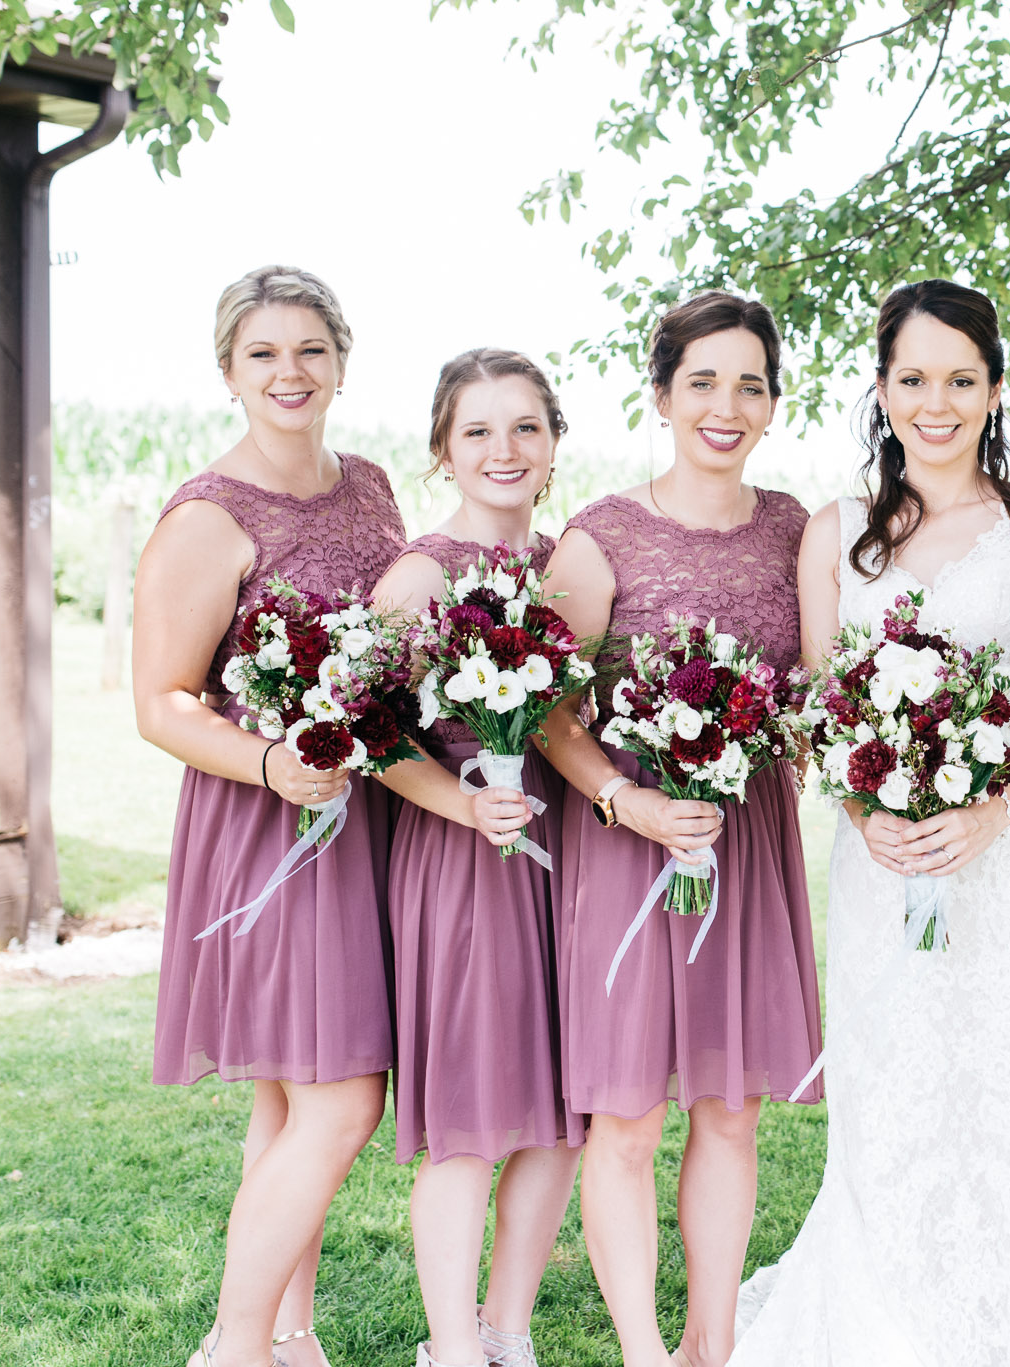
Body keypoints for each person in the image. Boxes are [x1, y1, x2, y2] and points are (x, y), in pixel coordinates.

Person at [727, 279, 1010, 1366]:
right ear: (880, 387)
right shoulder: (834, 532)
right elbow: (820, 696)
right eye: (913, 378)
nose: (935, 402)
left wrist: (993, 812)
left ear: (994, 390)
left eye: (960, 378)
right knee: (894, 1090)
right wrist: (869, 809)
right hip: (883, 857)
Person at [538, 292, 821, 1367]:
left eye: (749, 383)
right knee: (626, 1117)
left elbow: (818, 679)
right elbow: (551, 706)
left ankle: (712, 1340)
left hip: (745, 841)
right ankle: (644, 1351)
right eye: (703, 380)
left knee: (730, 1108)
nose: (726, 403)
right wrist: (626, 797)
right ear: (661, 395)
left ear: (771, 404)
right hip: (627, 844)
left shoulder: (796, 528)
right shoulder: (603, 534)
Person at [137, 266, 404, 1367]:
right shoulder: (210, 515)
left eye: (308, 350)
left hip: (366, 817)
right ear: (229, 371)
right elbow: (159, 702)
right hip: (268, 827)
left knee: (296, 1096)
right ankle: (234, 1343)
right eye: (263, 354)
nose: (288, 373)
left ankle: (293, 1337)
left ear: (341, 360)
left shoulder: (374, 486)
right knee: (344, 1094)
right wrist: (272, 759)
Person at [371, 349, 584, 1367]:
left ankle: (508, 1329)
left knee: (563, 1107)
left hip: (570, 850)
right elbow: (365, 729)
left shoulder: (572, 566)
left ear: (553, 443)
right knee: (465, 1111)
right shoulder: (420, 574)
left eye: (525, 427)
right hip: (460, 859)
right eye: (477, 430)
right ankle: (450, 1346)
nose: (503, 450)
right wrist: (458, 800)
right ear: (442, 450)